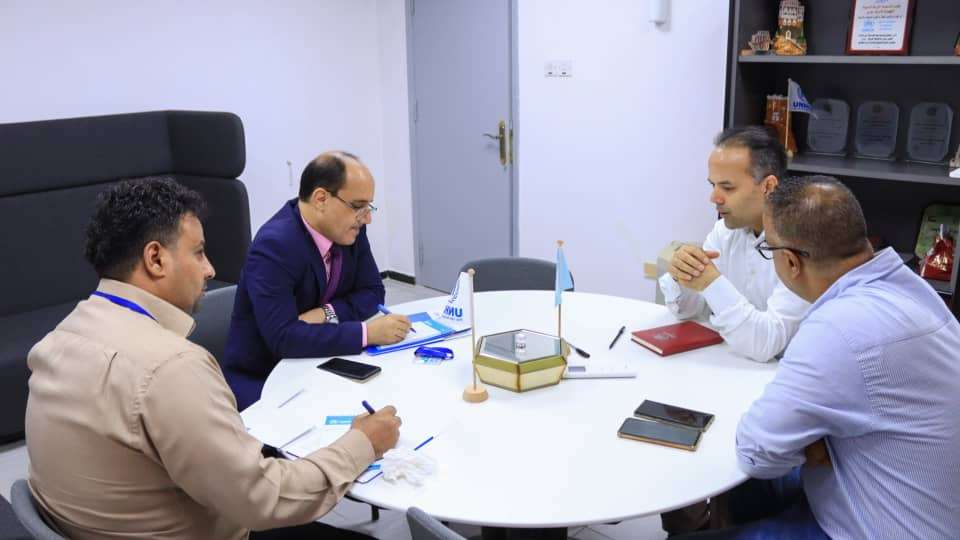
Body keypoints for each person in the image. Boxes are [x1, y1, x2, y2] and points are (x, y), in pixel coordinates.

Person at [25, 177, 401, 540]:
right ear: (155, 258)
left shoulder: (59, 337)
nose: (211, 270)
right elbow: (264, 498)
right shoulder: (171, 368)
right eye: (199, 252)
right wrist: (363, 443)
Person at [684, 175, 960, 538]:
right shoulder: (911, 289)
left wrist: (807, 444)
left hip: (873, 525)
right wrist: (811, 444)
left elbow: (756, 454)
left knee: (744, 468)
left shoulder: (836, 328)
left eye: (769, 250)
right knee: (749, 487)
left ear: (791, 262)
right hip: (911, 499)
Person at [224, 151, 411, 410]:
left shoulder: (349, 228)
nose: (367, 217)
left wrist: (326, 313)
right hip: (266, 376)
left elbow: (373, 292)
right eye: (358, 206)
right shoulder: (274, 246)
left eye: (369, 206)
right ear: (321, 199)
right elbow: (284, 338)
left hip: (321, 360)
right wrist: (366, 333)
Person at [658, 126, 809, 364]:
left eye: (727, 188)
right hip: (735, 368)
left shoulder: (802, 242)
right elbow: (689, 311)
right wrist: (682, 274)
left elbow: (766, 345)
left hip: (784, 377)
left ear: (768, 186)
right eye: (713, 185)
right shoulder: (724, 232)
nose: (714, 198)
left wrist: (710, 282)